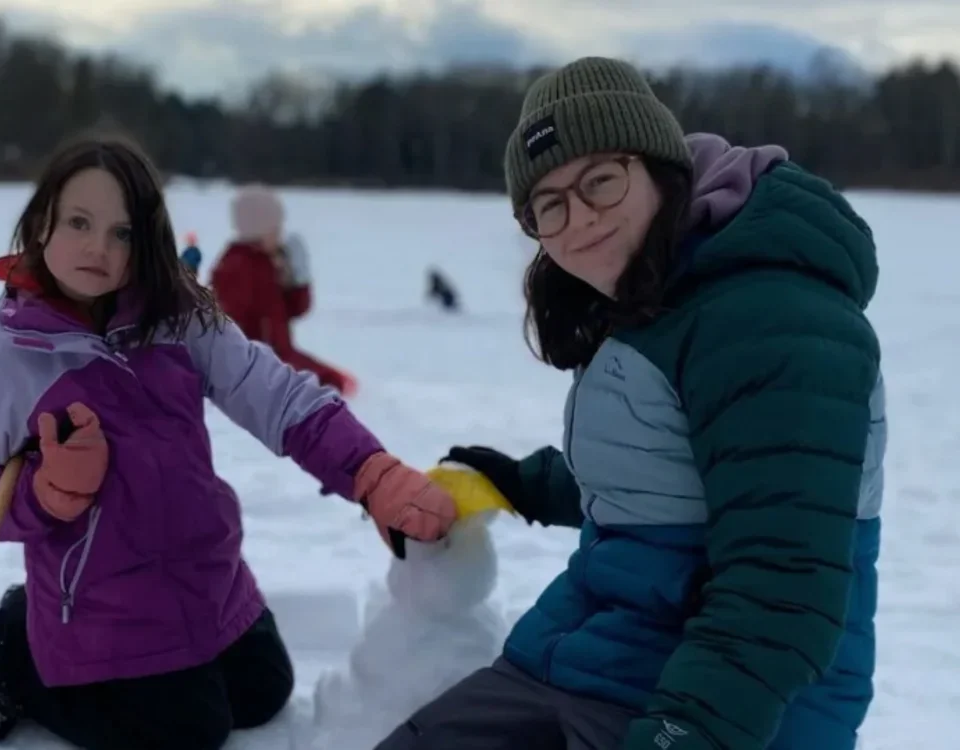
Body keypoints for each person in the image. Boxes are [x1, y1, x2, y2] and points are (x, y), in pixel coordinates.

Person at [377, 56, 885, 750]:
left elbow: (780, 594)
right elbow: (675, 472)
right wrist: (521, 482)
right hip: (589, 659)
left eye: (600, 181)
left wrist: (679, 735)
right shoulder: (663, 292)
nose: (579, 220)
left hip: (728, 708)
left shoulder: (775, 318)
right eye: (549, 205)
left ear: (661, 170)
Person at [0, 133, 458, 750]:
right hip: (101, 609)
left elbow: (278, 396)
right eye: (78, 222)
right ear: (41, 223)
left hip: (205, 579)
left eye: (122, 232)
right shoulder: (6, 362)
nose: (98, 247)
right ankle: (19, 655)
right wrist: (47, 494)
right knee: (191, 730)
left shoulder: (180, 321)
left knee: (263, 690)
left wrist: (370, 471)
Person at [209, 184, 357, 397]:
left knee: (336, 381)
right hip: (255, 361)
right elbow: (230, 321)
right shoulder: (236, 266)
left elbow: (295, 310)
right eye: (275, 229)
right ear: (257, 230)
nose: (279, 235)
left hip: (281, 353)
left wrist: (298, 279)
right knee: (328, 385)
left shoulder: (270, 263)